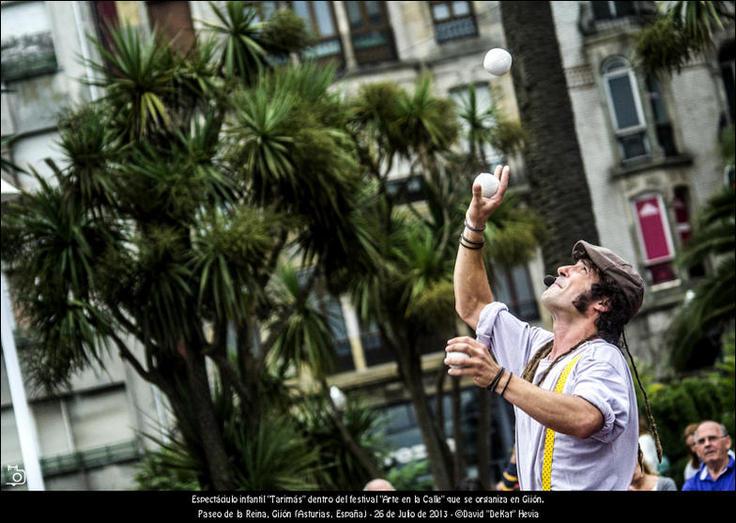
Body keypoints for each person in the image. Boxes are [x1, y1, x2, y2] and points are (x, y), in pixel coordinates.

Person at [448, 165, 661, 490]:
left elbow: (584, 417)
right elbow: (474, 305)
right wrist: (475, 226)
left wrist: (500, 379)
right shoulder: (537, 348)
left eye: (581, 269)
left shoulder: (603, 359)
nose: (562, 268)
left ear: (602, 302)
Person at [682, 421, 735, 491]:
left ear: (727, 442)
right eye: (701, 441)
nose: (707, 444)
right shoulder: (691, 485)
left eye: (712, 438)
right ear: (697, 450)